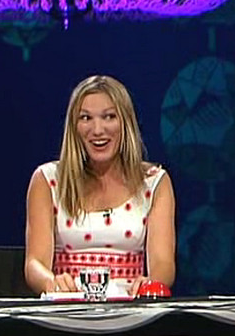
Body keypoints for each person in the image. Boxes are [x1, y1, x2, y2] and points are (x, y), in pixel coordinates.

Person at [25, 75, 176, 296]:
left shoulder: (154, 182)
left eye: (109, 117)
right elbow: (34, 263)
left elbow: (163, 263)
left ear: (125, 123)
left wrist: (150, 284)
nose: (97, 130)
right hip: (68, 306)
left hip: (129, 306)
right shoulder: (47, 180)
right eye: (86, 118)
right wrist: (52, 283)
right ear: (74, 127)